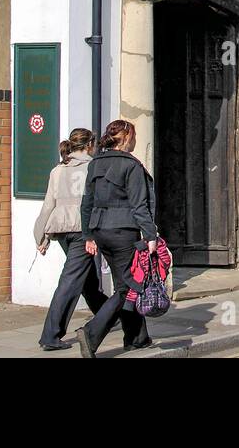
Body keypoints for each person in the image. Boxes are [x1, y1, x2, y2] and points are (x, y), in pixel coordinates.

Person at [76, 119, 157, 358]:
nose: (135, 140)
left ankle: (137, 338)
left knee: (127, 282)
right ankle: (91, 333)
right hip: (123, 232)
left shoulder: (95, 163)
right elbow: (139, 205)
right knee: (126, 287)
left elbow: (86, 203)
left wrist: (88, 235)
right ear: (124, 138)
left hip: (101, 230)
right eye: (133, 136)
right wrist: (150, 234)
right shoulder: (130, 165)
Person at [34, 128, 109, 351]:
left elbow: (49, 205)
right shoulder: (93, 168)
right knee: (71, 282)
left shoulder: (57, 171)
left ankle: (112, 316)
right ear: (89, 146)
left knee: (87, 281)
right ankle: (50, 335)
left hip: (62, 232)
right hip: (82, 232)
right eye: (93, 145)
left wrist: (41, 237)